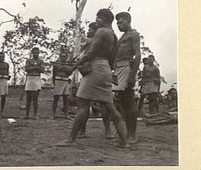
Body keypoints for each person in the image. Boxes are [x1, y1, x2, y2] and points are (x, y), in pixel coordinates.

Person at [57, 8, 128, 148]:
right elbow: (112, 58)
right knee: (110, 107)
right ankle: (123, 142)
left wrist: (73, 67)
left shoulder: (101, 32)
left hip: (96, 68)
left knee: (83, 105)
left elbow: (90, 53)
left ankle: (70, 139)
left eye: (97, 18)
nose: (96, 21)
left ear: (102, 18)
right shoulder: (114, 36)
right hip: (106, 68)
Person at [112, 11, 141, 143]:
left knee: (129, 101)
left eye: (121, 21)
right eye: (117, 22)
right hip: (118, 68)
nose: (119, 24)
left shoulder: (133, 34)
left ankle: (132, 134)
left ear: (128, 21)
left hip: (127, 67)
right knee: (122, 101)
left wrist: (132, 74)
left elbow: (138, 55)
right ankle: (126, 132)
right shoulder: (122, 37)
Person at [24, 47, 45, 120]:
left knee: (35, 98)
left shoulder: (41, 61)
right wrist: (37, 67)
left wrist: (32, 67)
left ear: (39, 53)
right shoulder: (28, 60)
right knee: (28, 98)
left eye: (37, 52)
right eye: (34, 52)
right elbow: (26, 69)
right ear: (32, 53)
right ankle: (27, 115)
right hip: (30, 78)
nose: (35, 54)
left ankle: (35, 115)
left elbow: (42, 70)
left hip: (36, 79)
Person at [52, 51, 73, 119]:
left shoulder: (68, 64)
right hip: (58, 80)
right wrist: (54, 83)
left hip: (65, 81)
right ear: (60, 57)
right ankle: (53, 114)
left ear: (66, 57)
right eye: (62, 56)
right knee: (56, 98)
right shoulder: (56, 64)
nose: (63, 58)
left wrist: (68, 68)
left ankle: (66, 115)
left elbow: (69, 72)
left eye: (64, 56)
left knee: (66, 98)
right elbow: (55, 72)